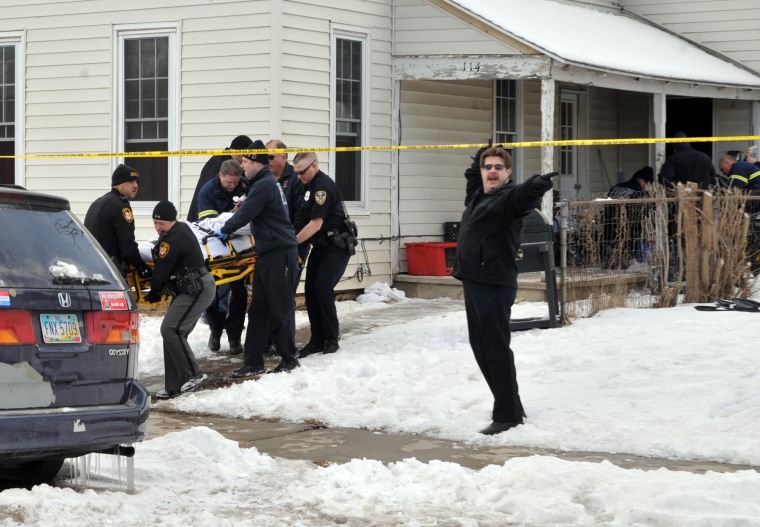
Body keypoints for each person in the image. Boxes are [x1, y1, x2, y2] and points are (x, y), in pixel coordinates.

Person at [452, 144, 555, 436]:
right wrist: (478, 160)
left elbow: (523, 198)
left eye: (498, 167)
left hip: (494, 284)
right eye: (488, 167)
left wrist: (536, 187)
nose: (492, 172)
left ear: (508, 173)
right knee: (481, 348)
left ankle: (507, 415)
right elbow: (473, 178)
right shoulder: (477, 195)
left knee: (494, 349)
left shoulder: (508, 198)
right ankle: (511, 404)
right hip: (474, 280)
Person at [214, 140, 300, 377]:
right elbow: (249, 210)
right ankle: (253, 362)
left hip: (280, 255)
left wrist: (224, 230)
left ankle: (289, 358)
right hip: (266, 255)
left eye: (245, 162)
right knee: (259, 310)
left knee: (281, 309)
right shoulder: (261, 184)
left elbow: (245, 215)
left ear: (256, 163)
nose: (242, 165)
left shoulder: (264, 185)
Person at [145, 200, 216, 400]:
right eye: (155, 223)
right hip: (193, 289)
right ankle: (174, 386)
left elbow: (161, 271)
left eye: (162, 224)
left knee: (171, 330)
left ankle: (194, 374)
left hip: (197, 289)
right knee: (172, 332)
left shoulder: (171, 240)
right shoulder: (179, 230)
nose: (158, 228)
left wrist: (154, 293)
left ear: (172, 221)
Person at [292, 152, 353, 357]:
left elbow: (315, 223)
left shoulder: (322, 187)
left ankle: (331, 338)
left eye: (302, 172)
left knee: (322, 288)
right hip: (321, 246)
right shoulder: (306, 186)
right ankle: (316, 339)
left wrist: (292, 243)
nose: (299, 176)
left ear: (314, 166)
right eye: (297, 172)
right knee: (310, 291)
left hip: (336, 247)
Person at [196, 159, 250, 354]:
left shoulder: (245, 185)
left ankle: (235, 336)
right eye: (229, 182)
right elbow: (208, 223)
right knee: (214, 294)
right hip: (216, 248)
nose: (233, 186)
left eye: (235, 182)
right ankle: (215, 330)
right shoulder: (207, 192)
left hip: (240, 246)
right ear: (220, 176)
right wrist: (231, 214)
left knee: (239, 293)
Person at [84, 164, 152, 279]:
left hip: (91, 266)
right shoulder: (121, 207)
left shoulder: (97, 203)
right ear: (118, 183)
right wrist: (142, 267)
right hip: (111, 271)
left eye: (136, 182)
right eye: (130, 182)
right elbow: (128, 247)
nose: (135, 186)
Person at [187, 134, 252, 222]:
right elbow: (209, 194)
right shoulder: (217, 163)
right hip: (205, 218)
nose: (232, 185)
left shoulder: (243, 181)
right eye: (245, 158)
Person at [602, 166, 654, 267]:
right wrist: (650, 195)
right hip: (627, 225)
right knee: (628, 243)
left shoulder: (616, 186)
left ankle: (610, 261)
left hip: (609, 222)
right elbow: (643, 211)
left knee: (611, 244)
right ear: (644, 181)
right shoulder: (639, 191)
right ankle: (625, 263)